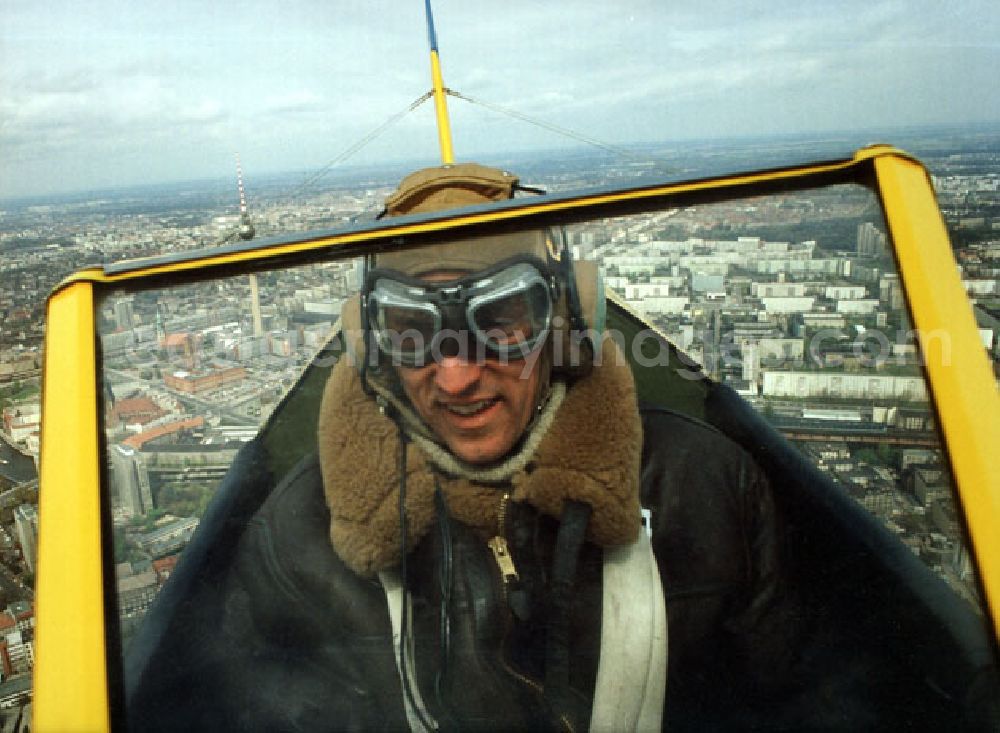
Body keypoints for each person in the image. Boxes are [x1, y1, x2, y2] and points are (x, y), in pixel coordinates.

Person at [125, 163, 998, 731]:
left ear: (569, 325)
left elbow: (804, 705)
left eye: (502, 319)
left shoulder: (706, 487)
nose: (458, 377)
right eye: (413, 331)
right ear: (371, 349)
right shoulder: (297, 539)